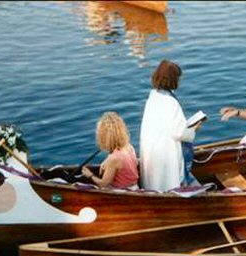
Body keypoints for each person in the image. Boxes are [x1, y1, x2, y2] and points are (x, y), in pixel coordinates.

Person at [139, 60, 202, 192]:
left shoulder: (153, 96)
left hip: (152, 147)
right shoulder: (171, 102)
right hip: (166, 151)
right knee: (167, 180)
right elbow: (179, 133)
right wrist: (194, 128)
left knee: (155, 179)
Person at [81, 112, 139, 190]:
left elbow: (103, 184)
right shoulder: (128, 146)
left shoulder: (114, 158)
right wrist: (106, 161)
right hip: (134, 187)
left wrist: (90, 175)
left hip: (122, 192)